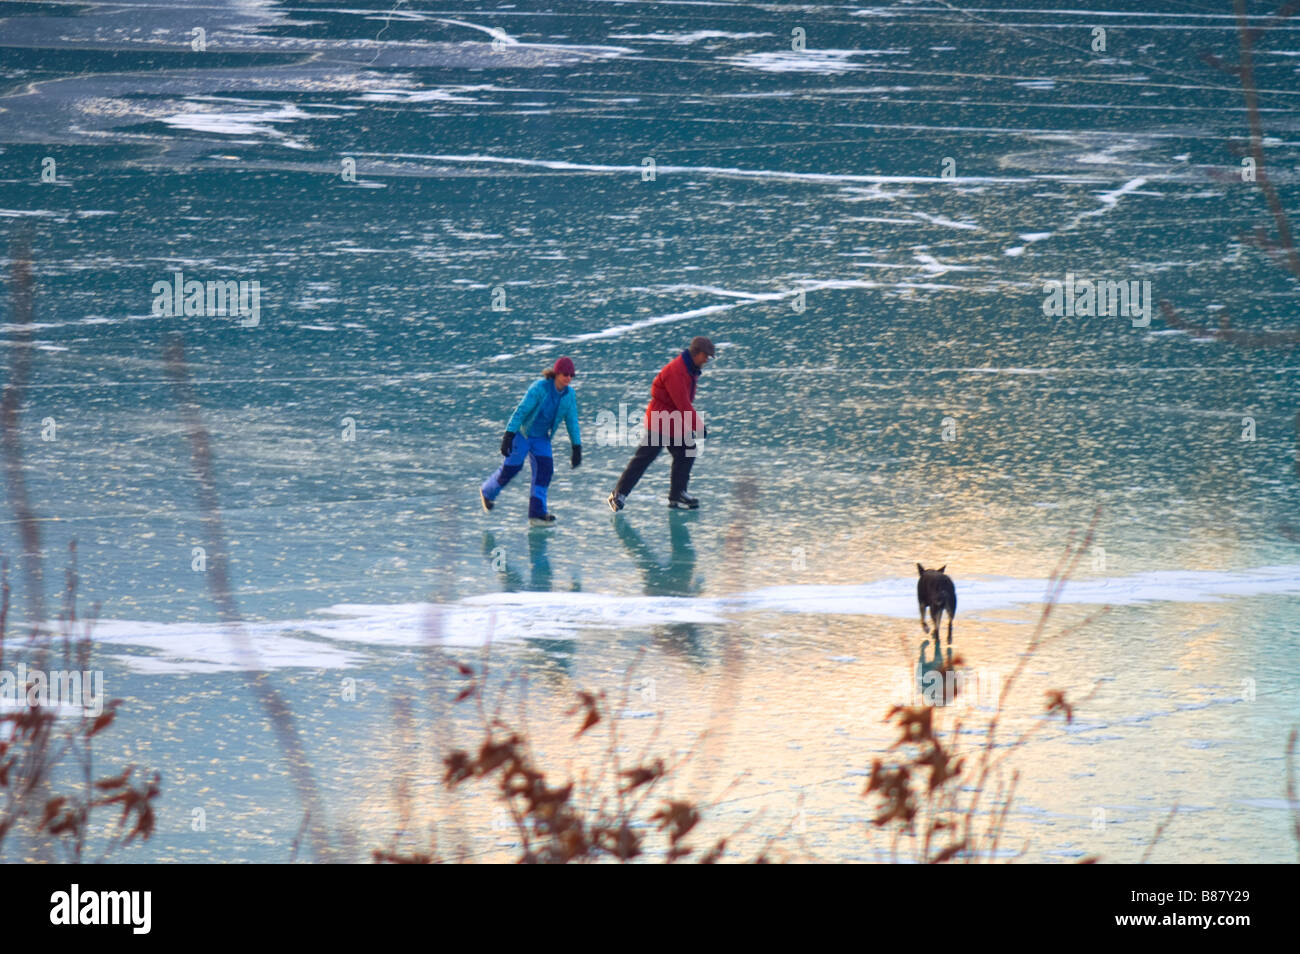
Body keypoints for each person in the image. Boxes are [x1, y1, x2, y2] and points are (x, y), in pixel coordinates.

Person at [608, 336, 713, 512]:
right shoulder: (677, 371)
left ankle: (677, 494)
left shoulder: (690, 368)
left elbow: (682, 404)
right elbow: (683, 403)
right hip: (660, 420)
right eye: (706, 355)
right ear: (697, 353)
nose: (707, 360)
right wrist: (697, 425)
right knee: (644, 458)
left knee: (687, 451)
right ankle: (618, 494)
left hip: (673, 420)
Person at [481, 356, 581, 525]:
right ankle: (487, 492)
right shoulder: (539, 388)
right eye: (565, 374)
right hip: (523, 435)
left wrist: (576, 446)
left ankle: (537, 512)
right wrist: (508, 434)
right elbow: (521, 411)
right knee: (511, 469)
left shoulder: (569, 395)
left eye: (572, 375)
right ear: (556, 373)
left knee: (545, 471)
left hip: (542, 438)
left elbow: (572, 420)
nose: (569, 378)